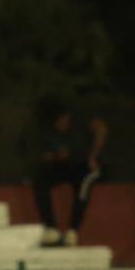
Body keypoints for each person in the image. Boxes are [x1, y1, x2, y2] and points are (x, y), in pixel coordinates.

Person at [32, 101, 107, 246]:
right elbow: (44, 156)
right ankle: (51, 229)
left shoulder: (80, 120)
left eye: (62, 121)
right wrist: (56, 156)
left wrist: (94, 155)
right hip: (65, 166)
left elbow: (101, 129)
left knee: (83, 186)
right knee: (40, 182)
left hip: (86, 164)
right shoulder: (47, 130)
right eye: (57, 123)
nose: (61, 125)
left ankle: (73, 230)